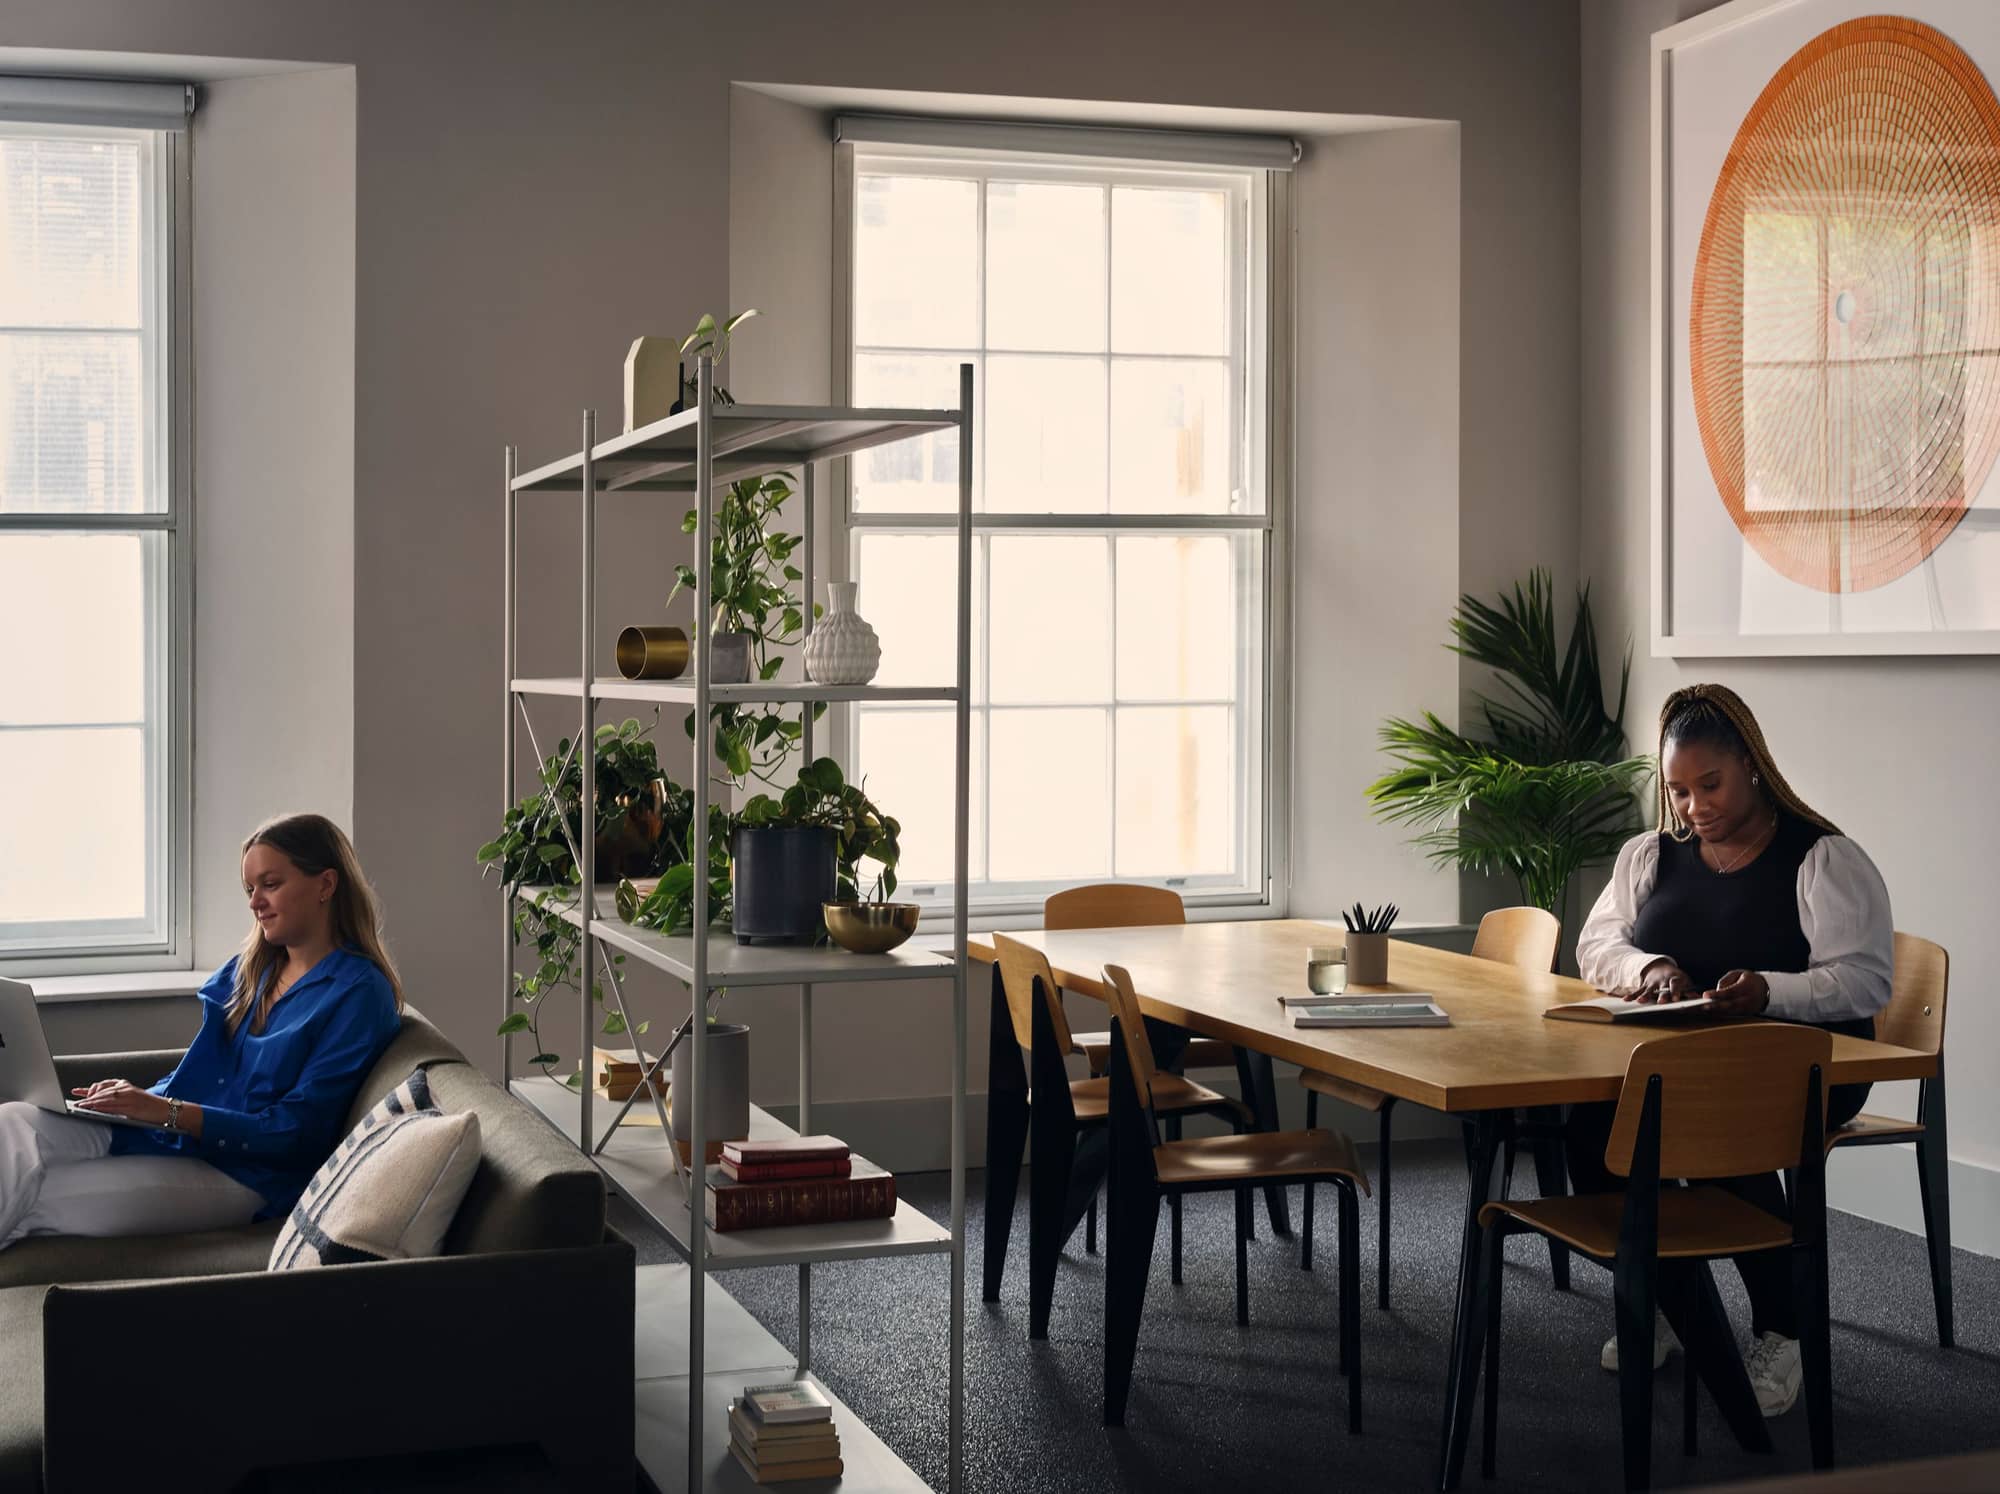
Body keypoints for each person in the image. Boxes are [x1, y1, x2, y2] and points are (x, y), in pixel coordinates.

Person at [1571, 683, 1892, 1416]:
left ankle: (1785, 1330)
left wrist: (1770, 992)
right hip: (1681, 1055)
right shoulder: (1651, 852)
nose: (1692, 808)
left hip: (1805, 1066)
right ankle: (1660, 1303)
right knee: (1588, 1127)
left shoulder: (1824, 857)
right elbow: (1597, 944)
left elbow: (1867, 982)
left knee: (1721, 1132)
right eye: (1678, 791)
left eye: (1708, 785)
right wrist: (1646, 969)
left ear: (1751, 765)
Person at [0, 813, 405, 1249]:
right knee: (13, 1121)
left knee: (34, 1192)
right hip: (173, 1134)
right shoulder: (250, 970)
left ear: (326, 884)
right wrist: (135, 1099)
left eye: (270, 884)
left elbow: (297, 1133)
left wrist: (166, 1111)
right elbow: (203, 1076)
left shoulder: (359, 994)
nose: (255, 903)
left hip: (244, 1174)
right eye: (250, 890)